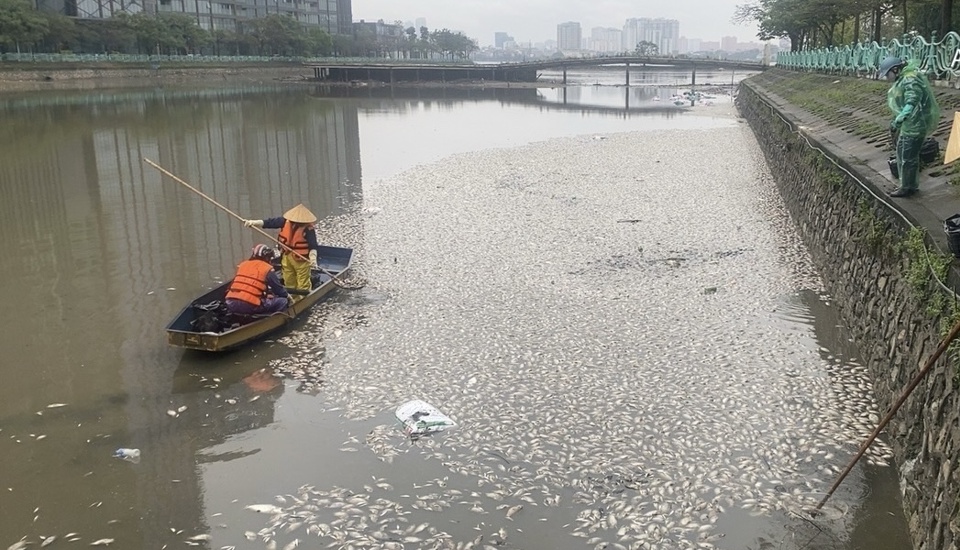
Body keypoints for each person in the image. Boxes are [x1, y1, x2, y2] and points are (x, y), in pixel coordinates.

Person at [878, 56, 940, 198]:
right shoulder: (905, 78)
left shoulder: (910, 79)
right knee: (903, 155)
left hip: (915, 125)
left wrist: (901, 117)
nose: (888, 77)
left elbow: (912, 101)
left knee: (907, 157)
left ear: (895, 69)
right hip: (910, 125)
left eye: (888, 73)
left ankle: (907, 188)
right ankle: (909, 185)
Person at [243, 203, 320, 294]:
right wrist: (254, 222)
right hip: (286, 256)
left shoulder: (308, 229)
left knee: (303, 282)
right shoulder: (284, 221)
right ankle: (293, 299)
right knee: (288, 280)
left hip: (301, 259)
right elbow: (269, 222)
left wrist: (313, 258)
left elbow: (313, 245)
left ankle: (303, 298)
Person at [224, 244, 290, 315]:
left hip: (230, 302)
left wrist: (265, 296)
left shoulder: (243, 265)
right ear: (267, 258)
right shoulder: (267, 268)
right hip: (250, 305)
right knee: (283, 301)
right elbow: (279, 290)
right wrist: (287, 296)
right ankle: (271, 319)